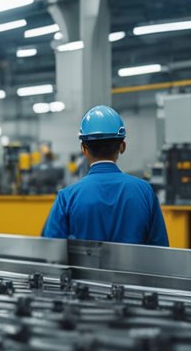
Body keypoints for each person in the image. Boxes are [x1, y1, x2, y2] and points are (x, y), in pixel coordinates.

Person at [41, 105, 168, 246]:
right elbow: (161, 251)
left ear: (83, 149)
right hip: (134, 268)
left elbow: (50, 251)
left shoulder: (67, 197)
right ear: (122, 146)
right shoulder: (145, 192)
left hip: (84, 269)